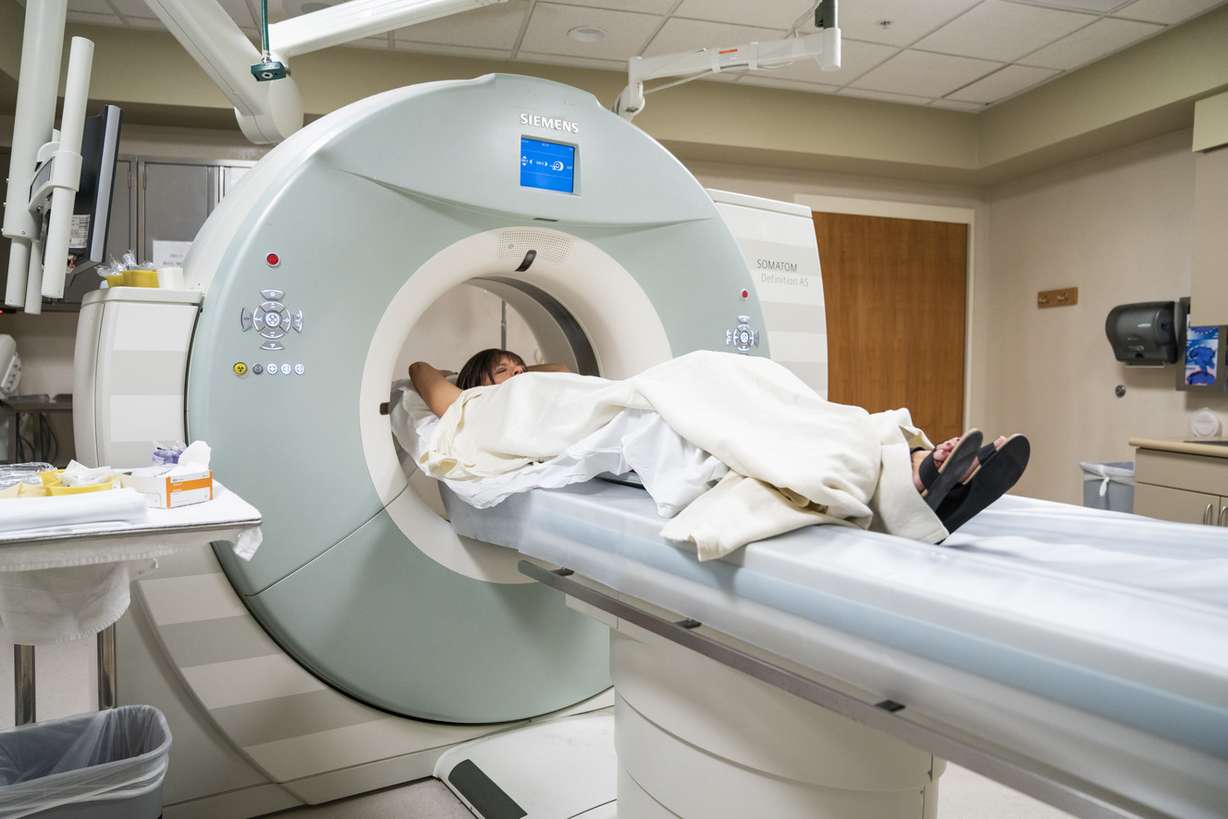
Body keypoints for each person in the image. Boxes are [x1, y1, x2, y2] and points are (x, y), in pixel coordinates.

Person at [409, 348, 1029, 545]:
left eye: (519, 366)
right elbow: (419, 373)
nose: (516, 376)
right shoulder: (471, 410)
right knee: (677, 414)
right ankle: (909, 483)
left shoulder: (555, 383)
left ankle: (908, 467)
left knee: (737, 377)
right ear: (477, 384)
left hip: (614, 398)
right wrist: (479, 383)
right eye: (501, 371)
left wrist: (538, 370)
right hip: (577, 419)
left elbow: (567, 376)